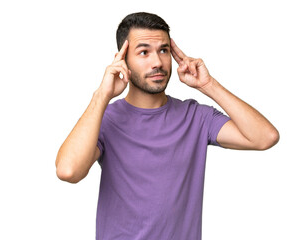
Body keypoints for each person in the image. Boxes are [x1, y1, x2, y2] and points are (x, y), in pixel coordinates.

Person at [55, 12, 279, 240]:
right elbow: (68, 171)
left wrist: (208, 85)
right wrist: (102, 95)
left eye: (163, 50)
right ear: (123, 61)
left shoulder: (196, 117)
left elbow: (265, 137)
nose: (158, 62)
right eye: (144, 52)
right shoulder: (105, 119)